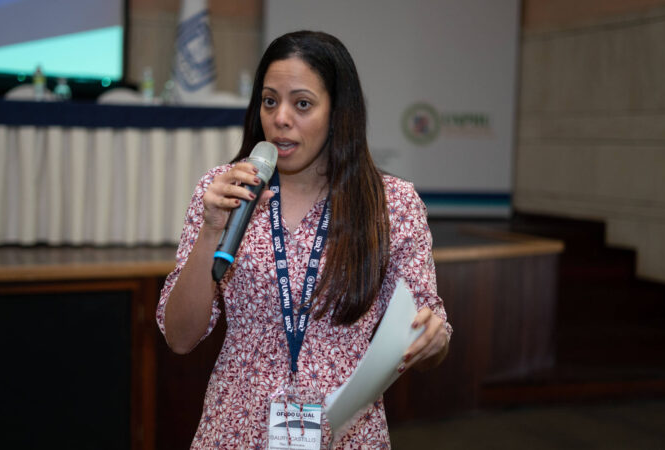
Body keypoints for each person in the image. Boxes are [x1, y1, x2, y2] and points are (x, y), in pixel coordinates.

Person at [157, 30, 451, 448]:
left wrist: (432, 339)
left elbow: (425, 335)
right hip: (235, 427)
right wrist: (210, 231)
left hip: (345, 433)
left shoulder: (392, 204)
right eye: (269, 101)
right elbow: (180, 338)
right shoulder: (226, 190)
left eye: (302, 104)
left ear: (338, 112)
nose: (280, 118)